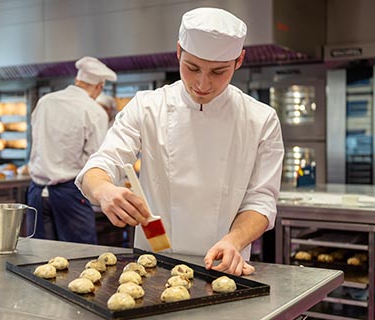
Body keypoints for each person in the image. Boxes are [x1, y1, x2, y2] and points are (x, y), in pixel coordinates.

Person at [75, 7, 284, 275]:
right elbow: (103, 163)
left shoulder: (261, 119)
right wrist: (105, 191)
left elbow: (261, 200)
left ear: (239, 61)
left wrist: (234, 240)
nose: (202, 84)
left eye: (218, 72)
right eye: (192, 67)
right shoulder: (148, 106)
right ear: (178, 52)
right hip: (152, 265)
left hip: (224, 266)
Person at [28, 56, 117, 244]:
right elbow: (95, 159)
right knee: (79, 255)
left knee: (37, 256)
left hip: (36, 192)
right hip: (70, 192)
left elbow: (36, 141)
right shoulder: (94, 111)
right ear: (99, 87)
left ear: (78, 80)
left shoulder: (45, 101)